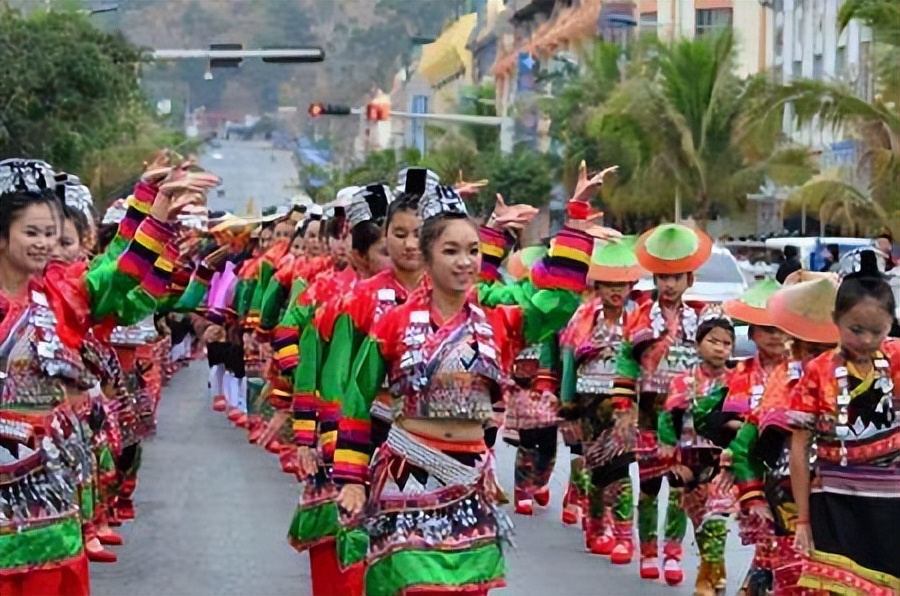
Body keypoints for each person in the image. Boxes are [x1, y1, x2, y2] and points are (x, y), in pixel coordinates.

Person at [333, 166, 615, 595]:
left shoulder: (498, 322)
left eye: (472, 251)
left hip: (468, 480)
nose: (464, 262)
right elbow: (356, 399)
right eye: (451, 251)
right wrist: (352, 479)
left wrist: (575, 221)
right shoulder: (393, 323)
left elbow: (557, 303)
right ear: (427, 257)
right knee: (416, 583)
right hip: (408, 473)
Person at [789, 250, 900, 595]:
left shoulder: (897, 360)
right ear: (834, 319)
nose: (866, 340)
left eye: (877, 331)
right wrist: (803, 520)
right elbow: (798, 448)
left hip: (892, 504)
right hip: (833, 502)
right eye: (855, 329)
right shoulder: (817, 372)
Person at [612, 223, 712, 585]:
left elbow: (716, 363)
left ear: (690, 279)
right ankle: (648, 551)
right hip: (651, 416)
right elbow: (625, 364)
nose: (668, 285)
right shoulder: (639, 316)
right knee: (651, 487)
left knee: (681, 485)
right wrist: (624, 408)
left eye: (676, 278)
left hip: (687, 418)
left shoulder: (701, 318)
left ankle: (673, 553)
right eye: (662, 277)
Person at [556, 237, 644, 562]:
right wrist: (566, 403)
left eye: (621, 284)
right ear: (598, 285)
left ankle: (623, 535)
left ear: (632, 284)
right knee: (594, 467)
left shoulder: (639, 320)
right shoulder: (583, 318)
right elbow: (568, 363)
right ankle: (596, 525)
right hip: (588, 402)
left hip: (623, 405)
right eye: (609, 284)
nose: (615, 291)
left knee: (620, 469)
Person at [658, 308, 739, 596]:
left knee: (716, 517)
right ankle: (713, 570)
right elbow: (668, 420)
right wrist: (671, 458)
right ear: (698, 344)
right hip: (690, 462)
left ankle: (706, 582)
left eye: (726, 343)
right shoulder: (683, 381)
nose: (720, 348)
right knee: (699, 521)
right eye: (713, 341)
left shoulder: (738, 380)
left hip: (724, 462)